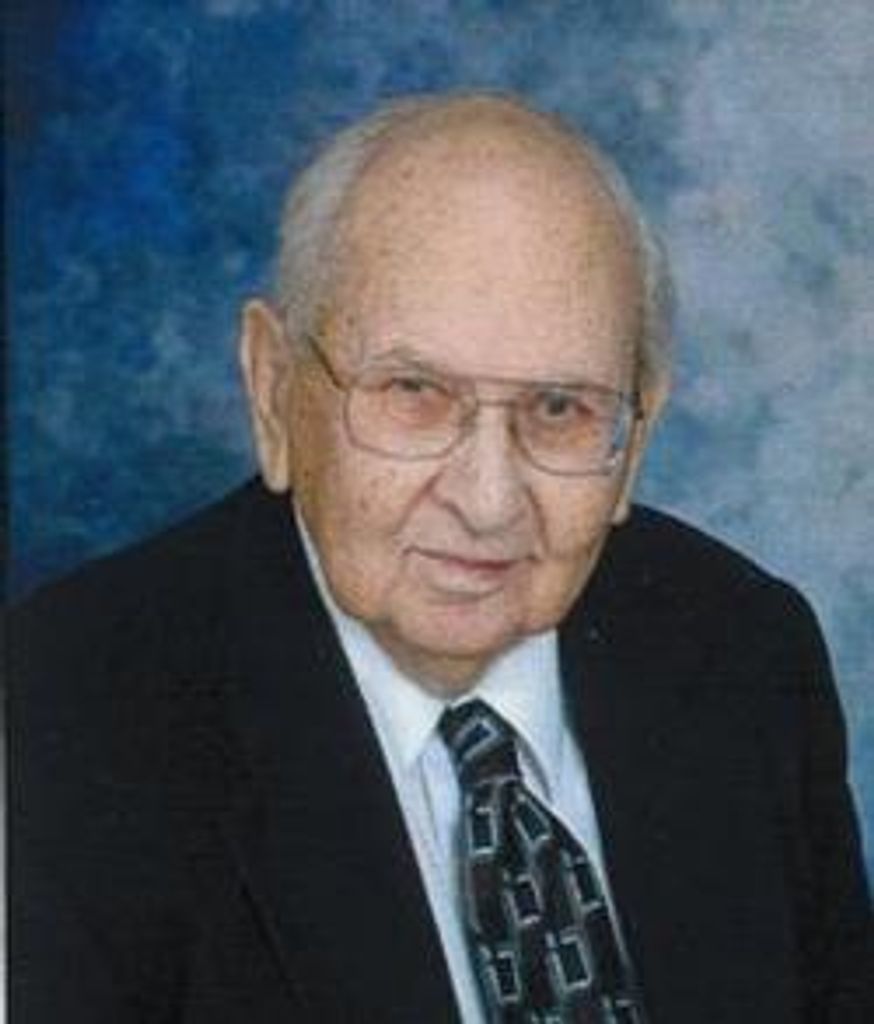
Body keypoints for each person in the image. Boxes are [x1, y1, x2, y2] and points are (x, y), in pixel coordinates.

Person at [9, 93, 872, 1023]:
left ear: (638, 431)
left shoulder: (747, 650)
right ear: (273, 390)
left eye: (559, 409)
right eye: (414, 392)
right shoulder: (60, 715)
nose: (488, 501)